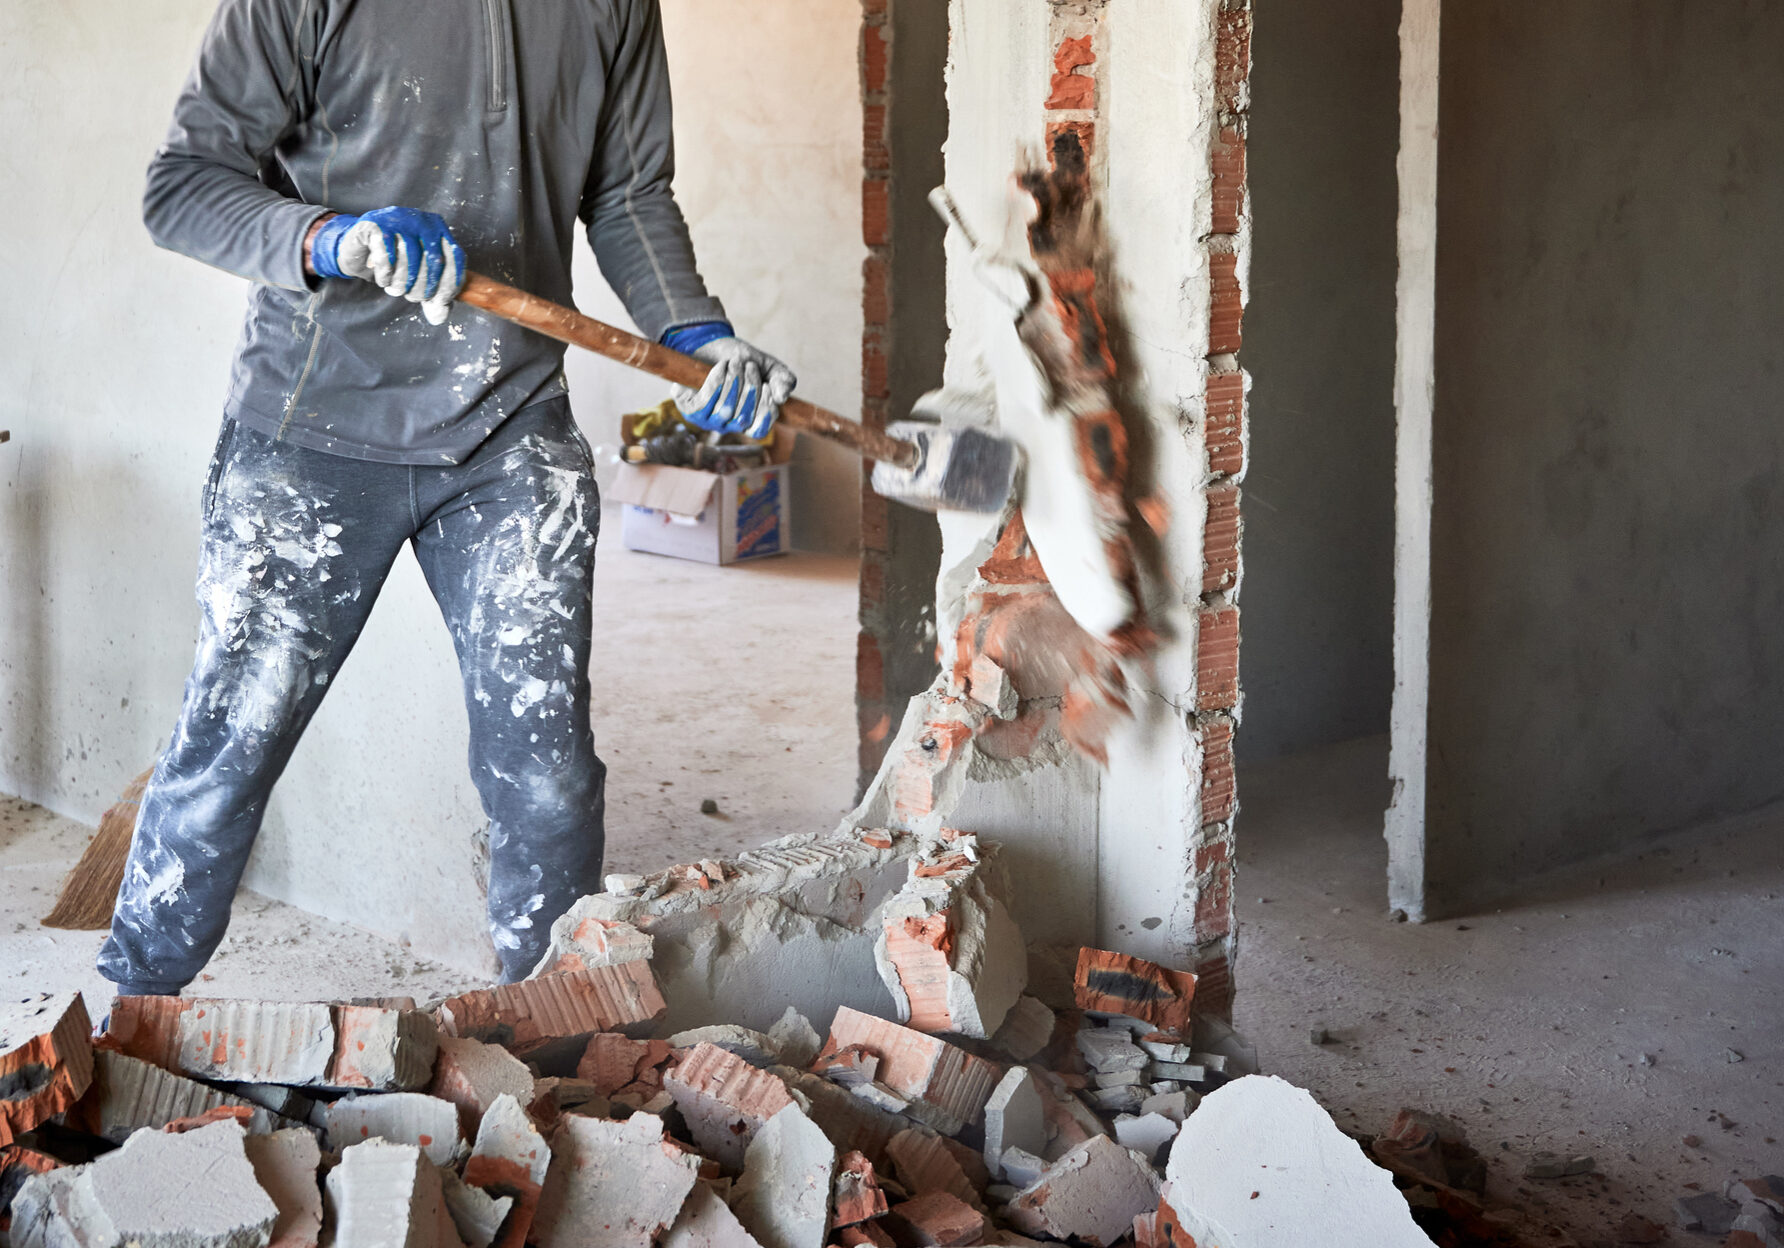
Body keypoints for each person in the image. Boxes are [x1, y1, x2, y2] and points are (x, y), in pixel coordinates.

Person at [96, 0, 794, 994]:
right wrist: (332, 238)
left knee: (546, 775)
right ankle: (130, 1021)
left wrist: (693, 330)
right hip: (311, 434)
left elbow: (630, 191)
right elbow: (182, 188)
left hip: (511, 433)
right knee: (228, 753)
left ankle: (556, 1028)